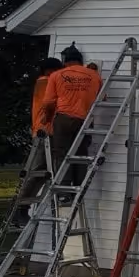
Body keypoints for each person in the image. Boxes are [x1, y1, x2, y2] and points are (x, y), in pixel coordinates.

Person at [40, 43, 102, 190]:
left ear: (65, 61)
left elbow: (48, 102)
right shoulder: (94, 76)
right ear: (81, 61)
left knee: (62, 154)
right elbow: (101, 97)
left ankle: (64, 192)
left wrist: (47, 119)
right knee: (81, 154)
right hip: (86, 120)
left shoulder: (56, 75)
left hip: (64, 119)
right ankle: (78, 189)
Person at [16, 57, 64, 222]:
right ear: (50, 71)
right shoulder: (45, 82)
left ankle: (23, 207)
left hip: (47, 131)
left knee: (43, 173)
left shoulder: (45, 81)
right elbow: (52, 103)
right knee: (36, 170)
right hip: (43, 132)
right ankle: (20, 208)